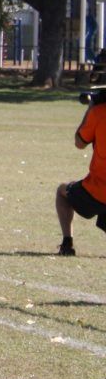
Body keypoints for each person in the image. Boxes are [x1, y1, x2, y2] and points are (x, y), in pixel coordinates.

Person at [58, 91, 106, 256]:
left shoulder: (99, 113)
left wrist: (90, 109)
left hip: (99, 190)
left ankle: (67, 243)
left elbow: (80, 143)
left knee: (62, 191)